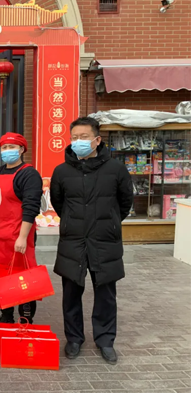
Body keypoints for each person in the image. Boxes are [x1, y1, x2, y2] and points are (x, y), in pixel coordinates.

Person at [50, 117, 133, 365]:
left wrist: (110, 222)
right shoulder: (62, 171)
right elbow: (58, 203)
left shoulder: (116, 169)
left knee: (106, 293)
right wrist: (72, 222)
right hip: (73, 241)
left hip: (105, 240)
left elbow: (125, 203)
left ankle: (105, 340)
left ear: (97, 140)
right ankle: (74, 338)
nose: (78, 141)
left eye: (84, 137)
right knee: (71, 293)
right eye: (74, 137)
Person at [0, 133, 43, 334]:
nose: (7, 151)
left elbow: (31, 207)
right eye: (4, 147)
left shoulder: (28, 174)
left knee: (23, 281)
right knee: (2, 281)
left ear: (22, 150)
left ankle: (25, 320)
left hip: (18, 237)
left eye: (12, 147)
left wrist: (22, 237)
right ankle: (6, 317)